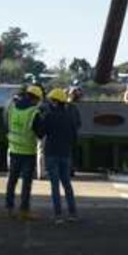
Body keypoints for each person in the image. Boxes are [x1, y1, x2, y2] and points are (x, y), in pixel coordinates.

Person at [36, 88, 79, 222]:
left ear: (54, 102)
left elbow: (40, 133)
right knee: (67, 184)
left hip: (51, 153)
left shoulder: (49, 116)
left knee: (55, 185)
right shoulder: (69, 117)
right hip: (65, 154)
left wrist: (37, 120)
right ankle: (73, 214)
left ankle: (58, 215)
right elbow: (74, 137)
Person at [2, 83, 42, 220]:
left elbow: (6, 124)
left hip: (13, 149)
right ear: (36, 98)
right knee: (26, 183)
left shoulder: (12, 108)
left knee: (12, 180)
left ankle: (8, 208)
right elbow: (40, 133)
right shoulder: (34, 112)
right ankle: (24, 211)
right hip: (28, 151)